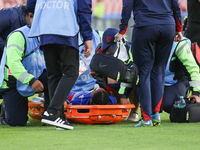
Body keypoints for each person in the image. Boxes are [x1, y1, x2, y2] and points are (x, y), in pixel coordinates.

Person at [115, 0, 183, 127]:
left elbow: (127, 6)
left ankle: (146, 118)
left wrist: (122, 30)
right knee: (159, 70)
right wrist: (178, 29)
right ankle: (155, 114)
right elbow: (176, 6)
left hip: (145, 26)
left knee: (142, 73)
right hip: (167, 26)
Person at [28, 0, 93, 130]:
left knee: (54, 75)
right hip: (66, 29)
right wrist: (88, 38)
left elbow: (30, 5)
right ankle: (52, 112)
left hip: (45, 31)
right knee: (71, 72)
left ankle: (59, 117)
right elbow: (84, 9)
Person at [0, 7, 49, 126]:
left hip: (33, 73)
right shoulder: (18, 34)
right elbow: (14, 64)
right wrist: (31, 81)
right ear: (31, 16)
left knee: (53, 78)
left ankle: (50, 114)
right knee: (17, 122)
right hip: (13, 81)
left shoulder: (47, 35)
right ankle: (4, 109)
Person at [162, 37, 200, 113]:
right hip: (152, 81)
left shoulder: (179, 44)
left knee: (171, 105)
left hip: (174, 81)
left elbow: (192, 69)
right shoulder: (145, 40)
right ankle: (134, 113)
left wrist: (195, 93)